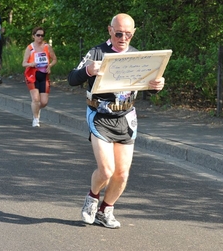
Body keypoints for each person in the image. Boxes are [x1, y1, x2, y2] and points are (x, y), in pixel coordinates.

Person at [68, 13, 165, 229]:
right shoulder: (97, 52)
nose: (123, 38)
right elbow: (72, 78)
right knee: (106, 170)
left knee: (122, 174)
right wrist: (87, 70)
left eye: (128, 34)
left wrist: (156, 86)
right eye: (119, 33)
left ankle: (105, 210)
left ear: (133, 33)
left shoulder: (139, 56)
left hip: (126, 118)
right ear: (110, 30)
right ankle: (92, 199)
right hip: (100, 116)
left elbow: (148, 86)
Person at [22, 27, 57, 127]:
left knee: (44, 102)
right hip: (32, 76)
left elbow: (54, 59)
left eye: (42, 35)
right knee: (35, 99)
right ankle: (36, 119)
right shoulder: (30, 48)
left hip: (44, 76)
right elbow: (23, 63)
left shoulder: (47, 47)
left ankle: (36, 109)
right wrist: (31, 64)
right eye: (38, 35)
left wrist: (50, 66)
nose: (40, 37)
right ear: (33, 36)